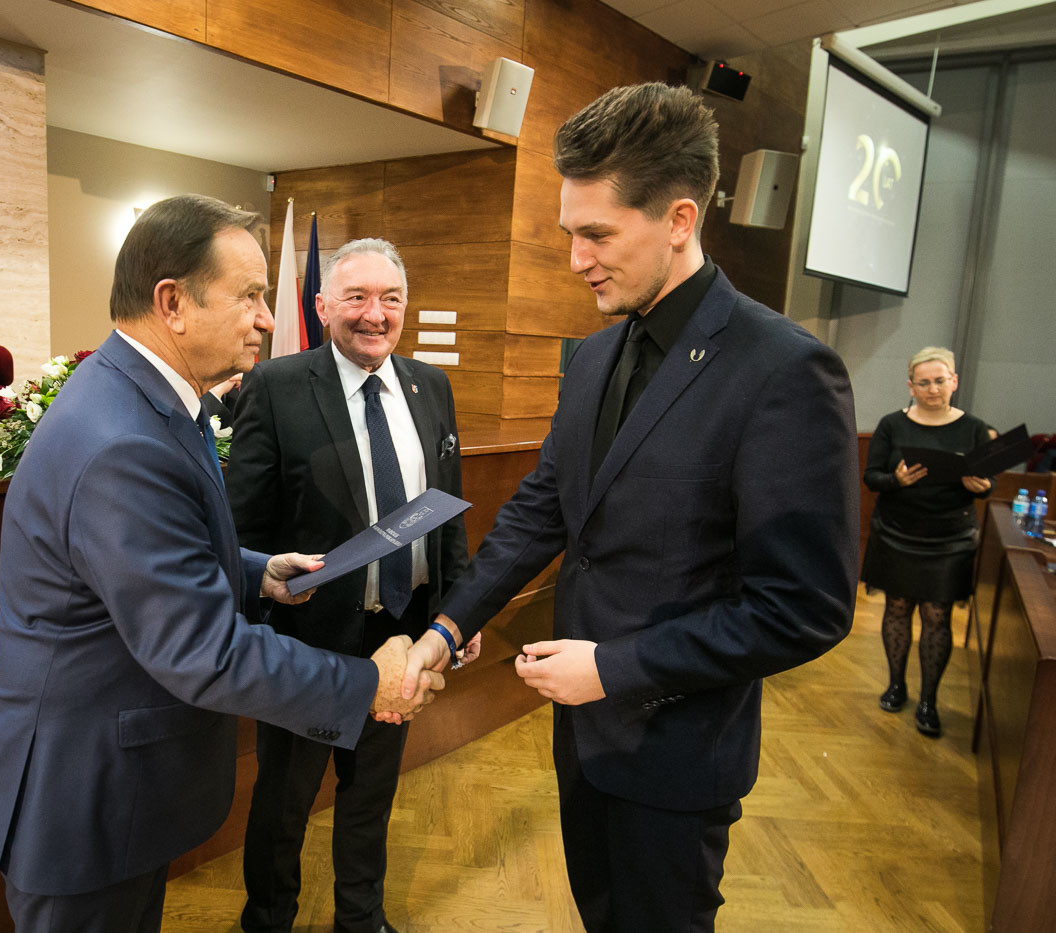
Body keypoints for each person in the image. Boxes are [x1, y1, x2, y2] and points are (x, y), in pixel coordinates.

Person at [400, 83, 860, 932]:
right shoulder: (592, 355)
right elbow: (543, 509)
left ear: (680, 219)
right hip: (582, 739)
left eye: (598, 234)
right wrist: (447, 627)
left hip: (676, 752)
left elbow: (806, 608)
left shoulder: (784, 369)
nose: (577, 259)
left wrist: (615, 667)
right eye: (569, 234)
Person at [0, 194, 443, 932]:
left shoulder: (144, 399)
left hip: (111, 785)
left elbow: (146, 562)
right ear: (172, 303)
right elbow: (203, 650)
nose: (267, 319)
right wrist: (365, 684)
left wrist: (256, 572)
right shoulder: (125, 440)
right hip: (86, 796)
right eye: (249, 296)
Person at [226, 238, 475, 933]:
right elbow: (240, 526)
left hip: (401, 634)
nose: (375, 314)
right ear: (322, 305)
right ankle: (268, 919)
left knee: (371, 794)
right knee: (285, 802)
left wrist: (459, 610)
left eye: (391, 299)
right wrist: (267, 588)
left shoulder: (431, 386)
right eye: (357, 297)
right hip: (306, 640)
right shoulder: (275, 385)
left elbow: (447, 513)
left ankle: (360, 919)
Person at [861, 346, 993, 738]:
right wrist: (896, 480)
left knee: (937, 616)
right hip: (897, 532)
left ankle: (929, 701)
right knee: (897, 608)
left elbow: (989, 483)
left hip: (950, 538)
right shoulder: (891, 424)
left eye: (939, 380)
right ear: (911, 386)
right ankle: (896, 685)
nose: (932, 389)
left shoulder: (975, 428)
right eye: (924, 382)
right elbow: (871, 477)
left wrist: (982, 486)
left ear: (954, 382)